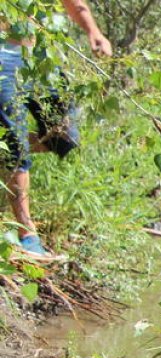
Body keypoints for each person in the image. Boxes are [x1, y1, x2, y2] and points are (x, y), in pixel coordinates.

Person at [2, 0, 110, 259]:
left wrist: (93, 31)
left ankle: (7, 149)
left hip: (41, 56)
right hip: (3, 56)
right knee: (16, 148)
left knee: (65, 137)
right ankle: (28, 235)